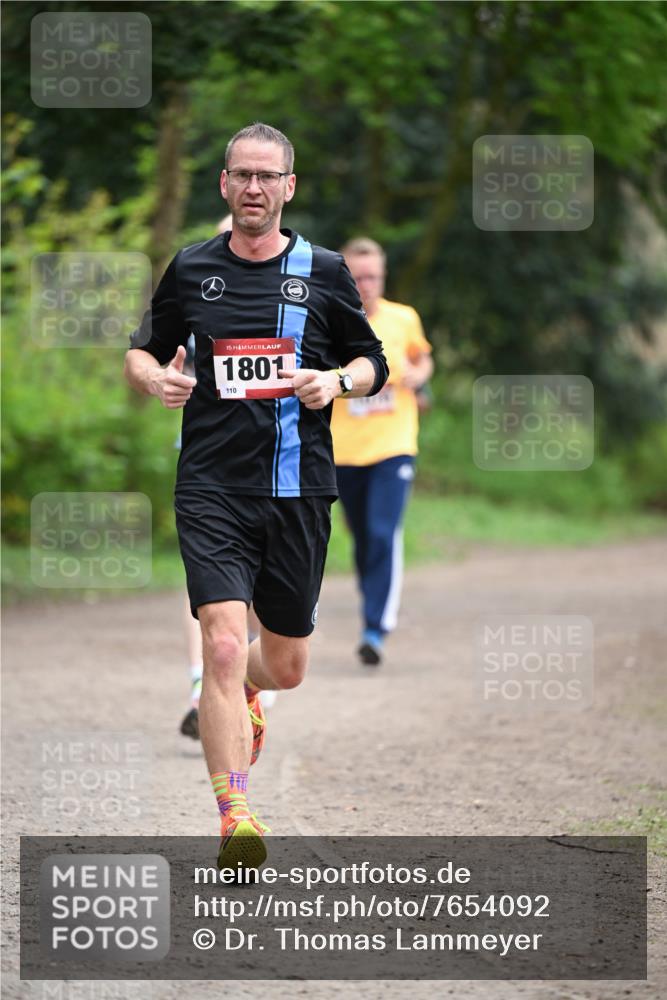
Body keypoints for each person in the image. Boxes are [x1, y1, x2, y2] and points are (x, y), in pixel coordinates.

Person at [125, 123, 388, 869]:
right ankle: (234, 812)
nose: (252, 188)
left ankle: (245, 698)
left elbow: (372, 363)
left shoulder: (324, 271)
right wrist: (157, 379)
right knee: (220, 643)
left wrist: (333, 381)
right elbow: (141, 351)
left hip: (297, 488)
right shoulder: (191, 266)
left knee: (286, 666)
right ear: (223, 184)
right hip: (210, 484)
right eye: (240, 175)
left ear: (287, 187)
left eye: (265, 177)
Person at [179, 215, 273, 741]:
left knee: (263, 601)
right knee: (208, 595)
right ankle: (205, 680)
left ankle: (251, 680)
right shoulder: (194, 278)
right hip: (206, 468)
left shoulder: (293, 295)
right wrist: (165, 377)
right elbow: (156, 351)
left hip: (273, 472)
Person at [330, 237, 433, 667]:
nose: (367, 284)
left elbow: (424, 360)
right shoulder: (330, 321)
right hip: (343, 451)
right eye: (358, 277)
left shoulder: (403, 318)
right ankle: (372, 607)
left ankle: (375, 627)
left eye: (373, 276)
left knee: (382, 530)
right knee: (361, 536)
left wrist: (416, 375)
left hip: (394, 446)